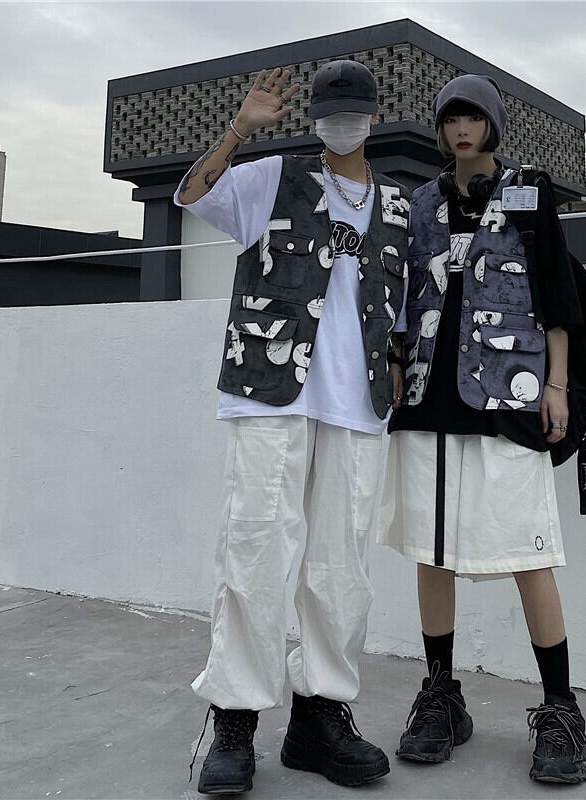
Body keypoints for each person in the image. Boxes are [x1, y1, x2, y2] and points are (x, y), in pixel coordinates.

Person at [175, 61, 410, 795]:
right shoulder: (272, 177)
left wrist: (399, 363)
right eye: (331, 112)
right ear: (313, 118)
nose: (342, 123)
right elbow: (195, 195)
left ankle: (319, 716)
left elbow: (403, 302)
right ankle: (235, 719)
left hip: (358, 401)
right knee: (255, 549)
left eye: (353, 112)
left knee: (341, 568)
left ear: (374, 117)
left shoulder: (398, 207)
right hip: (271, 390)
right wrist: (238, 131)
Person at [377, 73, 586, 784]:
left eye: (472, 118)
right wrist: (395, 366)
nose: (461, 130)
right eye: (450, 119)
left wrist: (556, 385)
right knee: (432, 551)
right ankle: (441, 694)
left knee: (529, 551)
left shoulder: (529, 192)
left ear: (493, 125)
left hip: (509, 398)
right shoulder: (420, 204)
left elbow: (556, 291)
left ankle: (560, 709)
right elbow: (402, 296)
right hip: (427, 398)